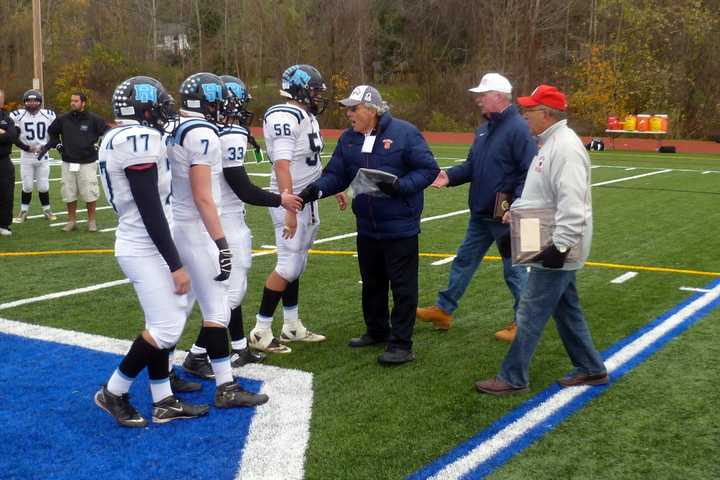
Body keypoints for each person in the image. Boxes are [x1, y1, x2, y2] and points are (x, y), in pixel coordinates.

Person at [475, 84, 607, 395]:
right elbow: (540, 193)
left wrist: (559, 247)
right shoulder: (549, 144)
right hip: (548, 239)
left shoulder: (564, 148)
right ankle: (591, 368)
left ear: (546, 115)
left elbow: (573, 204)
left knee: (530, 311)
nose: (524, 115)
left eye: (529, 110)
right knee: (566, 308)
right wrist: (515, 212)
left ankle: (513, 377)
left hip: (557, 245)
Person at [94, 76, 208, 426]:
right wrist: (175, 263)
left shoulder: (130, 136)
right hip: (143, 244)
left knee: (164, 319)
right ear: (142, 108)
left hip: (148, 240)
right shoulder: (134, 139)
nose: (164, 111)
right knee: (166, 329)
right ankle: (113, 391)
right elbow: (149, 206)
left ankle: (163, 400)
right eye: (157, 105)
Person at [299, 85, 439, 365]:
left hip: (400, 225)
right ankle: (377, 331)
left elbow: (428, 169)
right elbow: (336, 174)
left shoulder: (404, 133)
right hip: (366, 225)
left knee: (402, 286)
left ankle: (401, 344)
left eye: (354, 108)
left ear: (372, 110)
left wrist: (399, 187)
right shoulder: (349, 139)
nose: (348, 113)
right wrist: (311, 193)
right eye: (347, 108)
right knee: (372, 283)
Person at [181, 75, 302, 378]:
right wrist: (281, 199)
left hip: (209, 219)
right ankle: (197, 355)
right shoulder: (227, 132)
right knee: (230, 295)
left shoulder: (200, 132)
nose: (238, 110)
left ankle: (237, 347)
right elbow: (242, 188)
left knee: (230, 290)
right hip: (225, 220)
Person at [170, 72, 267, 408]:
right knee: (202, 304)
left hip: (182, 224)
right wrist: (221, 242)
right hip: (196, 227)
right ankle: (124, 386)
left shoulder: (178, 129)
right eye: (220, 102)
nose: (227, 109)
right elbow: (205, 196)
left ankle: (197, 371)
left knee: (195, 305)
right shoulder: (201, 132)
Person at [416, 73, 536, 342]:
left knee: (515, 270)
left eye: (483, 94)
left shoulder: (518, 128)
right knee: (464, 260)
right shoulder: (484, 129)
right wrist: (448, 176)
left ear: (499, 96)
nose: (478, 99)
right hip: (483, 213)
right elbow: (472, 165)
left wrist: (516, 204)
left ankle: (524, 322)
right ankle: (444, 310)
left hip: (506, 215)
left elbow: (529, 171)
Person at [247, 64, 329, 355]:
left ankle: (291, 326)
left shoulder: (304, 116)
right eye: (314, 90)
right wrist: (290, 207)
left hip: (305, 198)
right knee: (288, 264)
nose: (318, 96)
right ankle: (260, 330)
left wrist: (334, 188)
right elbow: (282, 165)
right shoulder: (284, 114)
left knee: (299, 263)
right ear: (300, 90)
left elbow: (308, 160)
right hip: (290, 199)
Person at [38, 92, 108, 232]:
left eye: (76, 101)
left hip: (87, 162)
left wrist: (98, 145)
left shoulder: (94, 119)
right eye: (72, 101)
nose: (73, 103)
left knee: (90, 192)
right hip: (68, 161)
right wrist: (58, 145)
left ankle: (91, 221)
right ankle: (72, 221)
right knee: (68, 192)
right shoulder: (63, 119)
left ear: (83, 103)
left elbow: (106, 132)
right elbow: (52, 132)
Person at [11, 89, 57, 223]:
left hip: (43, 155)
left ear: (40, 102)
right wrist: (26, 147)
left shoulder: (48, 115)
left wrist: (45, 147)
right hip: (26, 155)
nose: (32, 103)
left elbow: (55, 136)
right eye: (29, 101)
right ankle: (24, 211)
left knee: (43, 186)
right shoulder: (17, 115)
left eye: (35, 101)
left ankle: (47, 210)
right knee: (27, 186)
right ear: (25, 102)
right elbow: (13, 136)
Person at [0, 88, 19, 236]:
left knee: (6, 193)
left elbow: (12, 136)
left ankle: (4, 224)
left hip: (4, 160)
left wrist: (4, 134)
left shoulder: (7, 118)